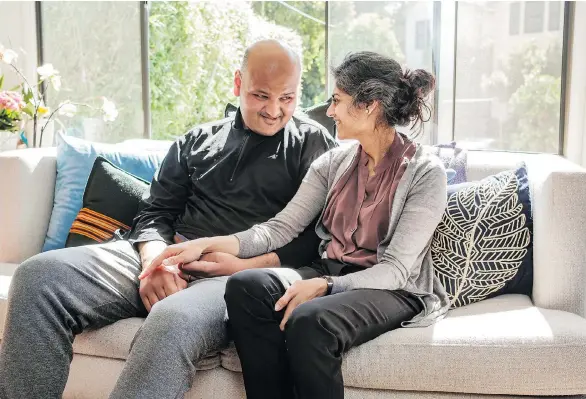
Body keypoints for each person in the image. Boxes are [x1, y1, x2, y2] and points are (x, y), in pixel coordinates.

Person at [0, 39, 336, 399]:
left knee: (171, 318)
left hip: (239, 278)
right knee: (37, 276)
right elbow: (155, 213)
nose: (274, 110)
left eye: (287, 97)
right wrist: (155, 263)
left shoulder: (314, 145)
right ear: (238, 83)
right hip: (167, 256)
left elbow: (319, 239)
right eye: (261, 95)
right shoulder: (196, 139)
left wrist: (241, 266)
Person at [140, 51, 451, 399]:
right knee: (247, 286)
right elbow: (278, 229)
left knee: (310, 321)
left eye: (337, 100)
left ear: (369, 106)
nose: (329, 111)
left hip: (393, 289)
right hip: (329, 270)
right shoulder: (333, 163)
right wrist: (210, 243)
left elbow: (395, 270)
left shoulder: (425, 173)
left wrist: (326, 285)